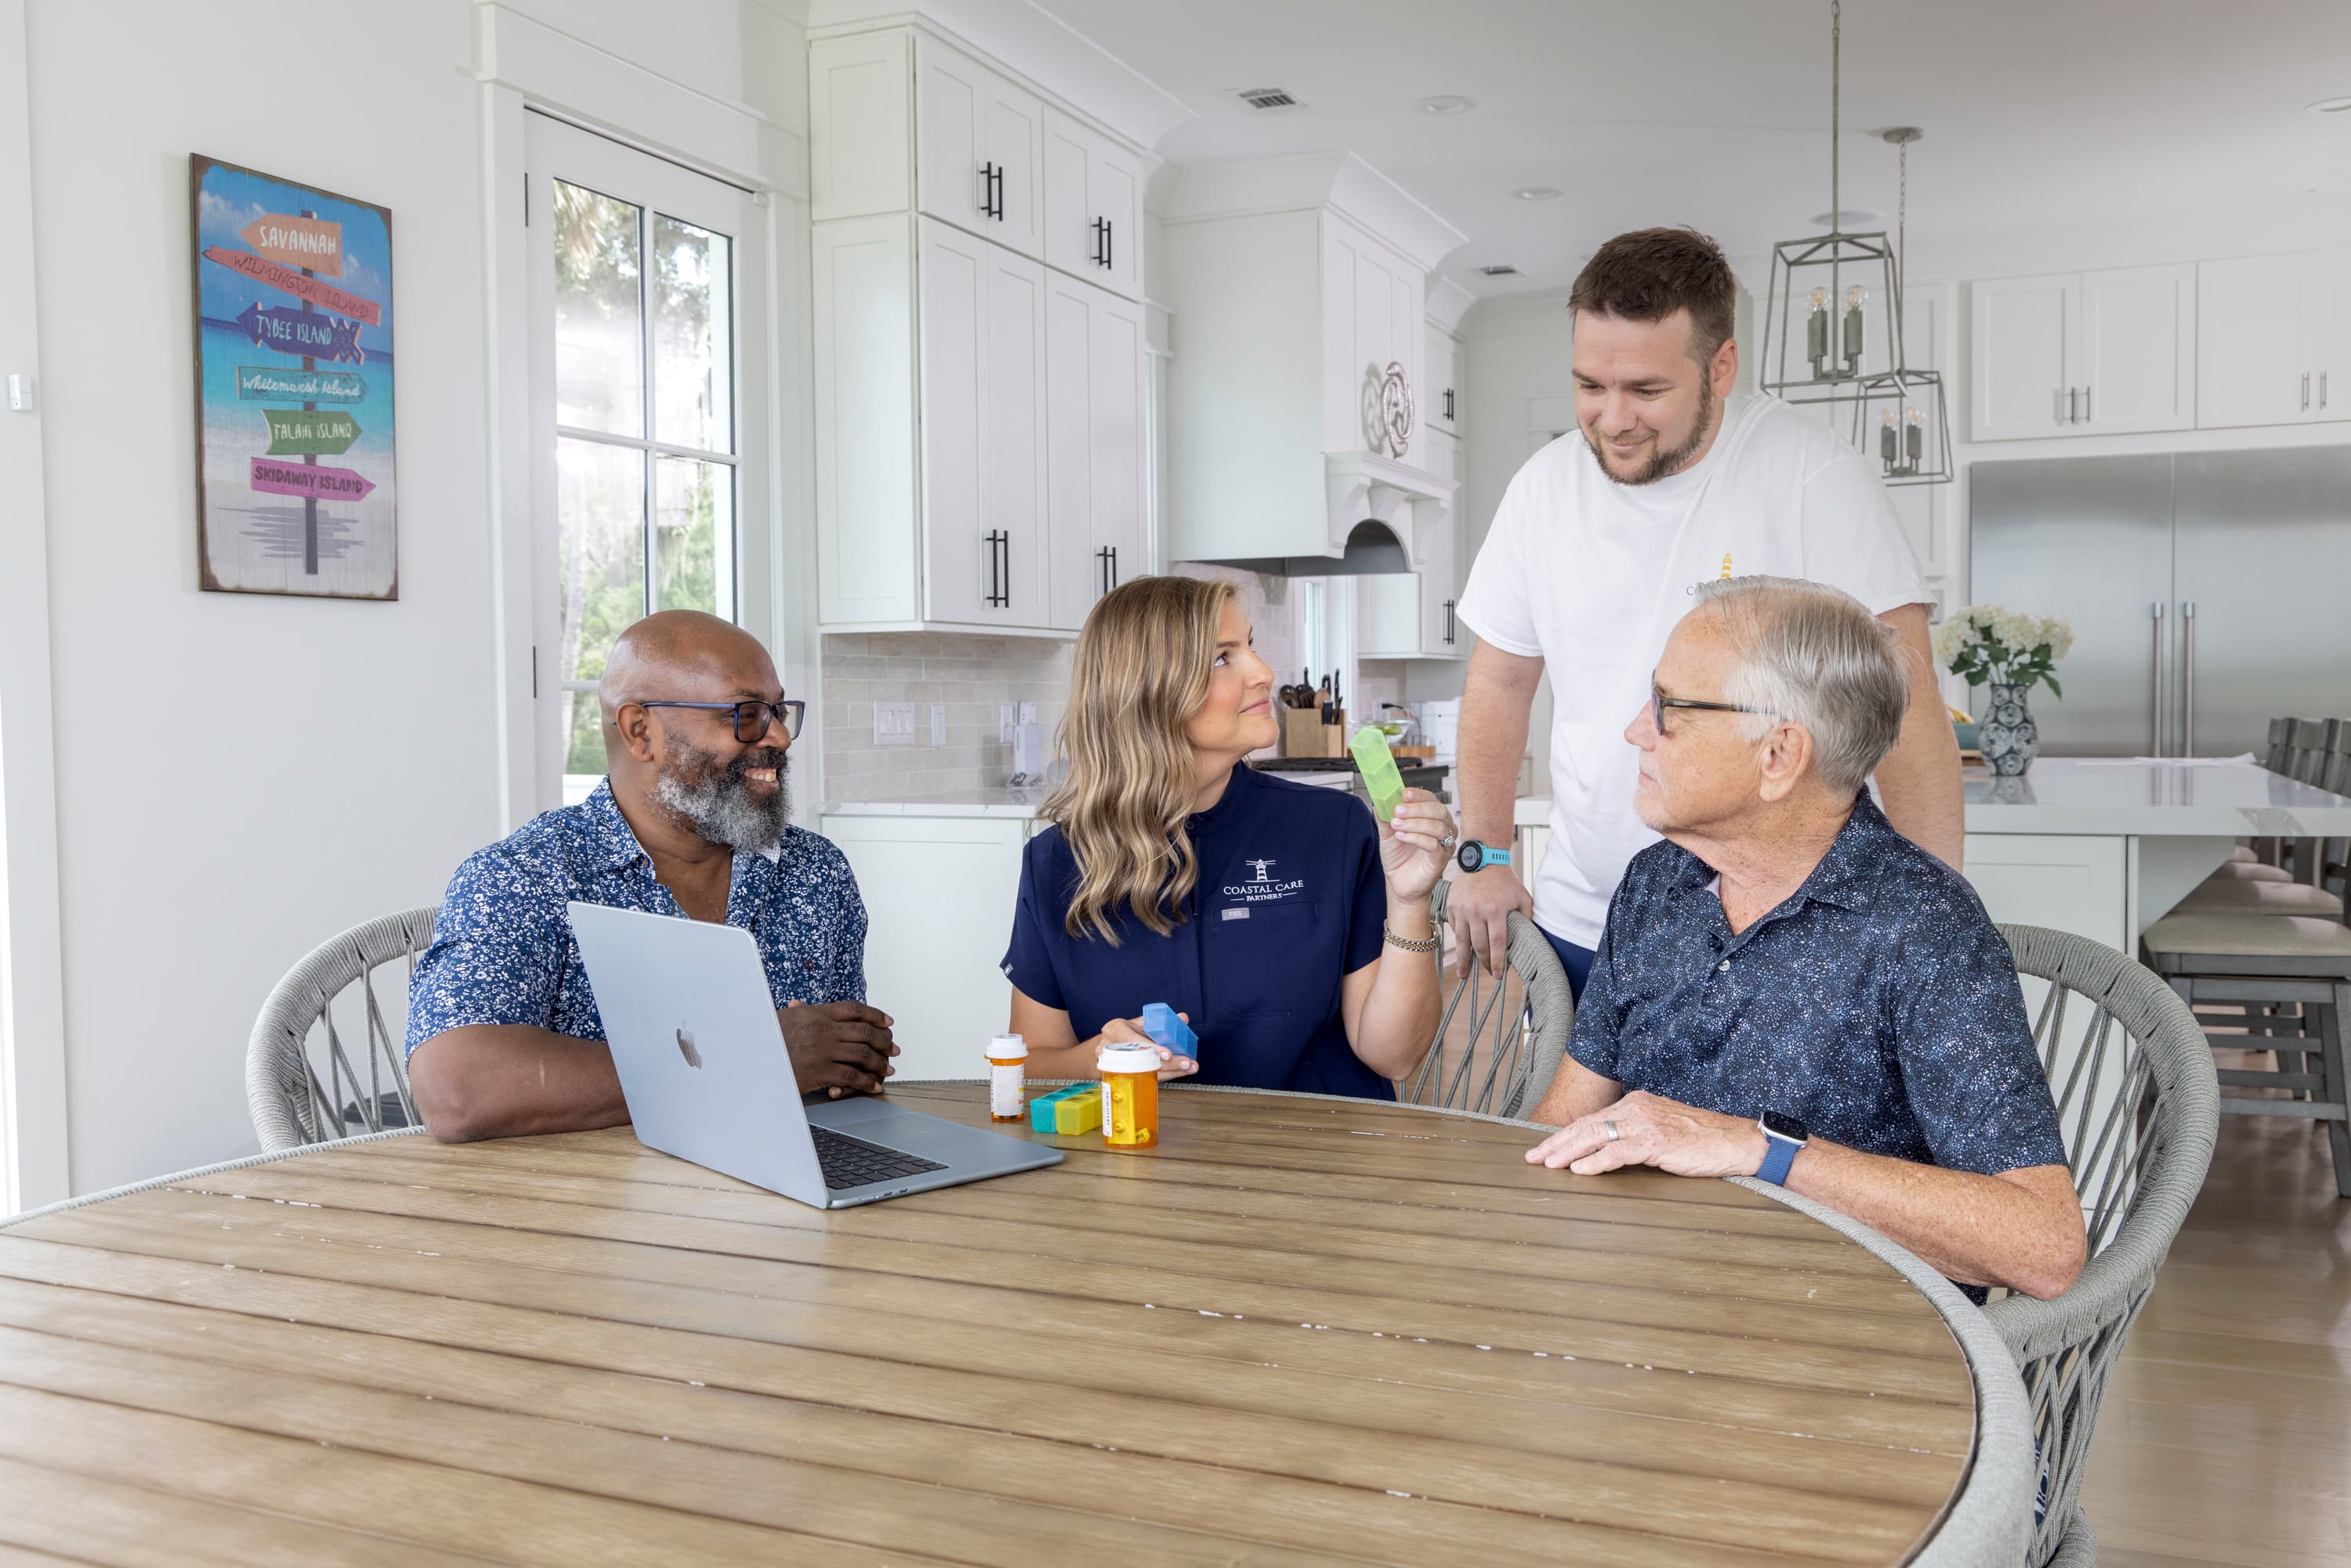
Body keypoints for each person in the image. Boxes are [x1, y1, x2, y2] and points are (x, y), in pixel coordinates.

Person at [1523, 578, 2084, 1301]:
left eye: (1668, 708)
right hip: (1647, 1303)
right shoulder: (1655, 885)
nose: (1636, 729)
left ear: (1780, 755)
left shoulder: (1925, 928)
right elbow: (1559, 1124)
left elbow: (2044, 1246)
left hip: (1840, 1351)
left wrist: (1760, 1149)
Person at [1446, 226, 1962, 994]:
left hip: (1775, 929)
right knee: (1576, 1120)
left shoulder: (1811, 476)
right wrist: (1482, 856)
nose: (1613, 418)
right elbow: (1499, 686)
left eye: (1647, 391)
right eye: (1590, 385)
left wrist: (1935, 918)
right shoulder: (1541, 490)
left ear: (1722, 368)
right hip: (1586, 923)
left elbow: (1908, 702)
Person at [404, 611, 898, 1143]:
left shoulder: (817, 874)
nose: (778, 736)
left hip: (792, 1192)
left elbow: (844, 1074)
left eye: (778, 711)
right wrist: (751, 1054)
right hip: (590, 1211)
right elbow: (456, 1090)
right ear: (641, 732)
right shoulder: (522, 877)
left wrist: (849, 1063)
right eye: (746, 713)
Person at [1002, 574, 1456, 1096]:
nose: (1264, 673)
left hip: (1321, 1161)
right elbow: (1029, 1062)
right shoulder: (1053, 864)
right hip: (1141, 1161)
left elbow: (1395, 1056)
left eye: (1251, 646)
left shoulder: (1334, 828)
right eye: (1223, 657)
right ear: (1149, 694)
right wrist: (1097, 1059)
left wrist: (1408, 899)